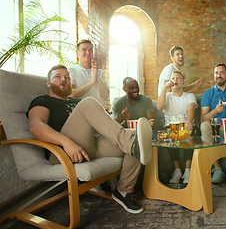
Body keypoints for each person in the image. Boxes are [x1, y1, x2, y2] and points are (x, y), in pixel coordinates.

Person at [27, 65, 152, 214]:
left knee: (137, 136)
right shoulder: (44, 100)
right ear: (48, 83)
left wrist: (121, 123)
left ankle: (124, 191)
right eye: (58, 77)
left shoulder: (74, 101)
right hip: (62, 152)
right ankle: (131, 144)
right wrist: (67, 143)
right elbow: (36, 127)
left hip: (90, 144)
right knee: (88, 102)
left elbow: (105, 125)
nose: (64, 79)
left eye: (67, 77)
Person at [157, 71, 197, 184]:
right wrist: (165, 87)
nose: (175, 80)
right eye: (173, 78)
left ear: (183, 82)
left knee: (188, 136)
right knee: (171, 136)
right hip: (170, 127)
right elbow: (159, 107)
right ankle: (177, 170)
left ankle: (188, 170)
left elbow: (191, 109)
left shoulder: (190, 96)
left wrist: (188, 122)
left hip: (185, 126)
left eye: (178, 78)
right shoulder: (167, 96)